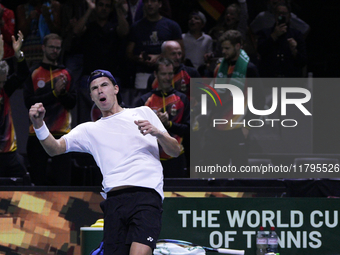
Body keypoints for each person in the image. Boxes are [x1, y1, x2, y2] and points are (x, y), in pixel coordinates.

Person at [28, 69, 181, 254]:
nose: (100, 90)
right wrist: (39, 125)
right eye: (94, 88)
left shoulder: (143, 112)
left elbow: (175, 150)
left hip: (146, 197)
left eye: (104, 85)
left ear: (115, 89)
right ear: (91, 96)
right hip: (114, 202)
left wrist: (158, 133)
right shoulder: (89, 130)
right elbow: (54, 148)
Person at [200, 30, 264, 168]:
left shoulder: (249, 69)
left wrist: (247, 126)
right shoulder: (219, 68)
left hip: (237, 129)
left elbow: (259, 100)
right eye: (222, 48)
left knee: (239, 173)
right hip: (216, 129)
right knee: (216, 172)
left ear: (238, 46)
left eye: (227, 48)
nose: (223, 51)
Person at [23, 33, 76, 186]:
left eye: (58, 48)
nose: (55, 51)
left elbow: (72, 103)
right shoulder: (34, 72)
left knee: (63, 183)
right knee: (38, 181)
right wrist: (54, 93)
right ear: (43, 48)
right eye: (52, 47)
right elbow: (29, 102)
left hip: (62, 134)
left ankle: (63, 210)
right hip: (37, 134)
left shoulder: (66, 73)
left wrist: (63, 93)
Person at [137, 58, 189, 178]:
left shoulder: (182, 99)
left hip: (176, 159)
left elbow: (187, 129)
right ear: (156, 74)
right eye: (163, 74)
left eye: (170, 74)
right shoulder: (145, 100)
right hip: (151, 159)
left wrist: (168, 124)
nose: (167, 78)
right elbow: (137, 132)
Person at [126, 0, 183, 90]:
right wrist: (139, 58)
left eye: (153, 1)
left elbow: (180, 52)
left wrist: (160, 57)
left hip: (167, 73)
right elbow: (129, 53)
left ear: (160, 4)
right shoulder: (136, 27)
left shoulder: (172, 26)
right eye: (146, 1)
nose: (149, 4)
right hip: (143, 73)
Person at [0, 31, 30, 178]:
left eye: (3, 81)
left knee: (24, 186)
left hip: (10, 154)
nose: (3, 84)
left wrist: (19, 54)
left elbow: (23, 75)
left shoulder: (5, 89)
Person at [256, 3, 307, 77]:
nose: (281, 16)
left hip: (290, 79)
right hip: (269, 79)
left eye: (284, 13)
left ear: (289, 16)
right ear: (275, 15)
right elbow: (260, 50)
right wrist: (274, 35)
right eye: (279, 13)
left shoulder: (296, 35)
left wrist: (294, 50)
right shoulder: (265, 33)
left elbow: (303, 61)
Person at [16, 0, 61, 68]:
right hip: (29, 50)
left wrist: (47, 18)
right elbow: (21, 33)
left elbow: (57, 32)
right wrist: (30, 18)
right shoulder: (22, 8)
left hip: (49, 49)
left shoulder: (53, 5)